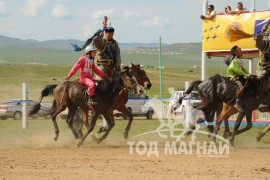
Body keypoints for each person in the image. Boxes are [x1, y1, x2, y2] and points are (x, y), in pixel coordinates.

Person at [227, 45, 250, 112]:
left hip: (240, 76)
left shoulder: (239, 60)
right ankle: (237, 102)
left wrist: (249, 74)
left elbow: (243, 69)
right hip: (234, 77)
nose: (241, 51)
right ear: (235, 52)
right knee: (241, 87)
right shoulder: (234, 61)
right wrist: (246, 75)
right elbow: (238, 70)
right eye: (240, 50)